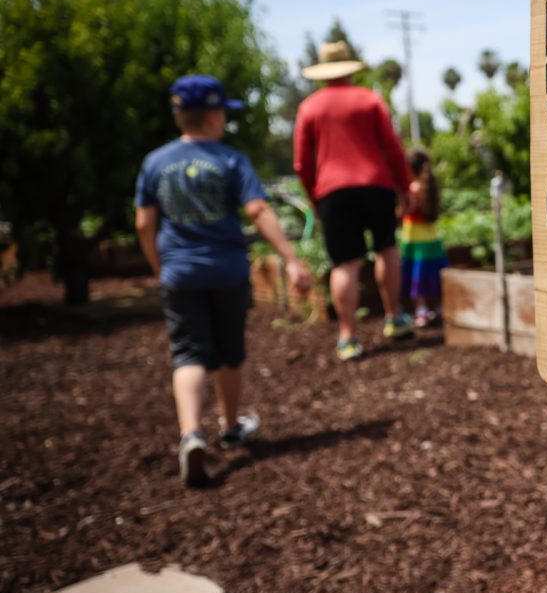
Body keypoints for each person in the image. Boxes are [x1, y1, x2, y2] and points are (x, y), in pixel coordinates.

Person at [134, 75, 313, 486]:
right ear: (213, 116)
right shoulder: (231, 160)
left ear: (179, 114)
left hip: (179, 270)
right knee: (230, 351)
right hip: (228, 270)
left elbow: (144, 222)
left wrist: (157, 264)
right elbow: (257, 211)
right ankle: (230, 428)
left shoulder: (155, 162)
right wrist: (290, 258)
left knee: (189, 353)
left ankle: (192, 435)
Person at [293, 40, 414, 360]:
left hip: (333, 192)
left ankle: (348, 337)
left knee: (344, 263)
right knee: (386, 249)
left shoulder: (309, 107)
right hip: (376, 185)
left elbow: (302, 164)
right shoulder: (370, 100)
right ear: (349, 68)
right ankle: (395, 317)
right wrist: (404, 187)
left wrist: (315, 200)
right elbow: (393, 148)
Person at [400, 147, 448, 327]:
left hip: (415, 242)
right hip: (433, 241)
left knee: (417, 278)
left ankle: (421, 311)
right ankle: (442, 308)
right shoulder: (430, 186)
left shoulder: (413, 190)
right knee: (435, 276)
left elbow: (403, 211)